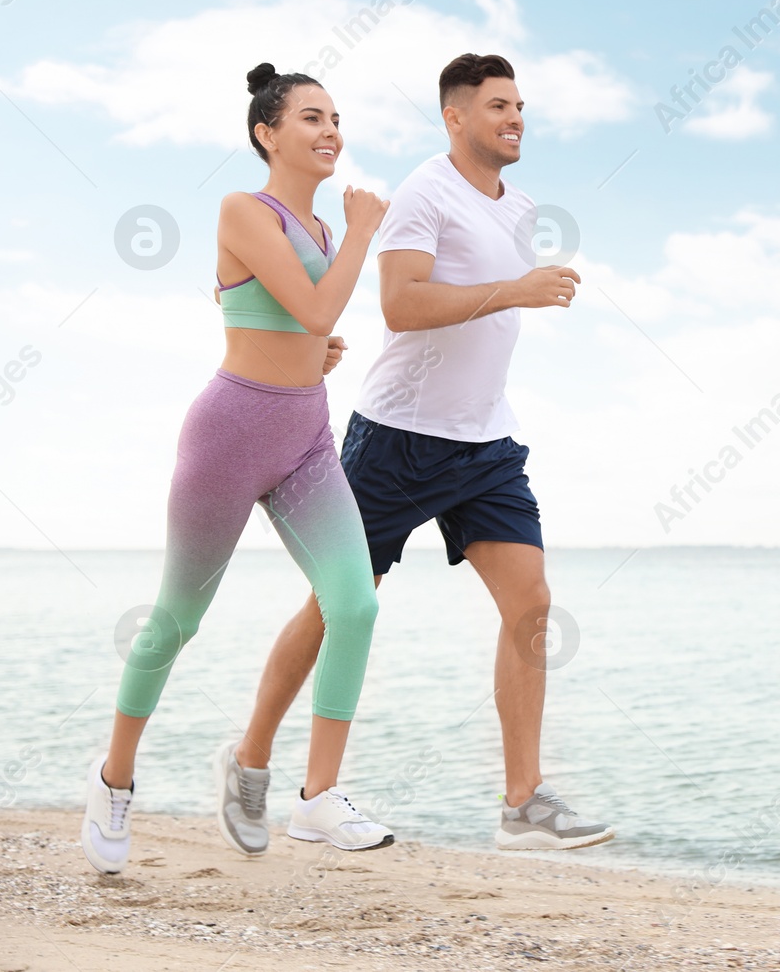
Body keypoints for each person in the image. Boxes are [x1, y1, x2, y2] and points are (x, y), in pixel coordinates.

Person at [218, 52, 613, 855]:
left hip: (486, 442)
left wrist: (515, 291)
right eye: (498, 105)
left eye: (521, 106)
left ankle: (523, 801)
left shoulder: (522, 204)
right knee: (340, 605)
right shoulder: (424, 193)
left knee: (531, 603)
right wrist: (515, 289)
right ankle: (251, 756)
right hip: (397, 438)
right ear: (455, 117)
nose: (515, 119)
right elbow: (400, 305)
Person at [81, 63, 393, 875]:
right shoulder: (243, 210)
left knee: (354, 603)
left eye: (336, 118)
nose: (331, 131)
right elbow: (318, 306)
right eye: (312, 118)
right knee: (175, 621)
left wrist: (308, 356)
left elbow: (297, 319)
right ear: (268, 133)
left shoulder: (322, 234)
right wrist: (364, 234)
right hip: (228, 434)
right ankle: (114, 780)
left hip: (305, 438)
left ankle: (316, 795)